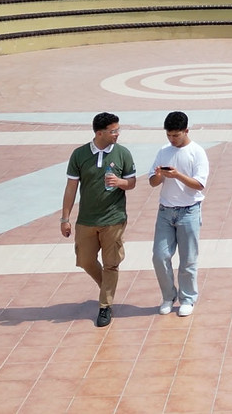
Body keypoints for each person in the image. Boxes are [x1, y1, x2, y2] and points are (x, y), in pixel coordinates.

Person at [60, 112, 137, 327]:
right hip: (86, 219)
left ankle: (105, 306)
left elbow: (132, 182)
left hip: (114, 218)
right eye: (113, 131)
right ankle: (107, 288)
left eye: (118, 130)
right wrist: (64, 218)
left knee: (111, 264)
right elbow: (71, 187)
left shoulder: (123, 153)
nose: (117, 134)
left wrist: (120, 182)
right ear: (100, 133)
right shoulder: (79, 155)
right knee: (85, 260)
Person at [150, 111, 209, 317]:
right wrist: (159, 175)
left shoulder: (197, 152)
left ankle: (187, 298)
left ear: (186, 131)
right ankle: (168, 296)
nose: (172, 139)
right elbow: (152, 182)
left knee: (188, 259)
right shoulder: (163, 151)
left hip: (189, 211)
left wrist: (177, 175)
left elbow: (199, 184)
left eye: (176, 135)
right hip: (165, 211)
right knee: (159, 256)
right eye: (169, 135)